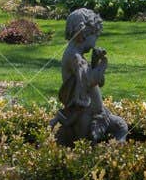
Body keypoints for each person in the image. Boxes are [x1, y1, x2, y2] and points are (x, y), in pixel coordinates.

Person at [52, 8, 128, 146]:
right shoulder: (74, 57)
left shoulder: (76, 54)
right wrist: (103, 63)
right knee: (86, 143)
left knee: (121, 127)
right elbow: (90, 81)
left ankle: (116, 151)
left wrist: (94, 61)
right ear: (84, 34)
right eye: (95, 36)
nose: (96, 40)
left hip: (99, 113)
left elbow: (91, 79)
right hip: (84, 114)